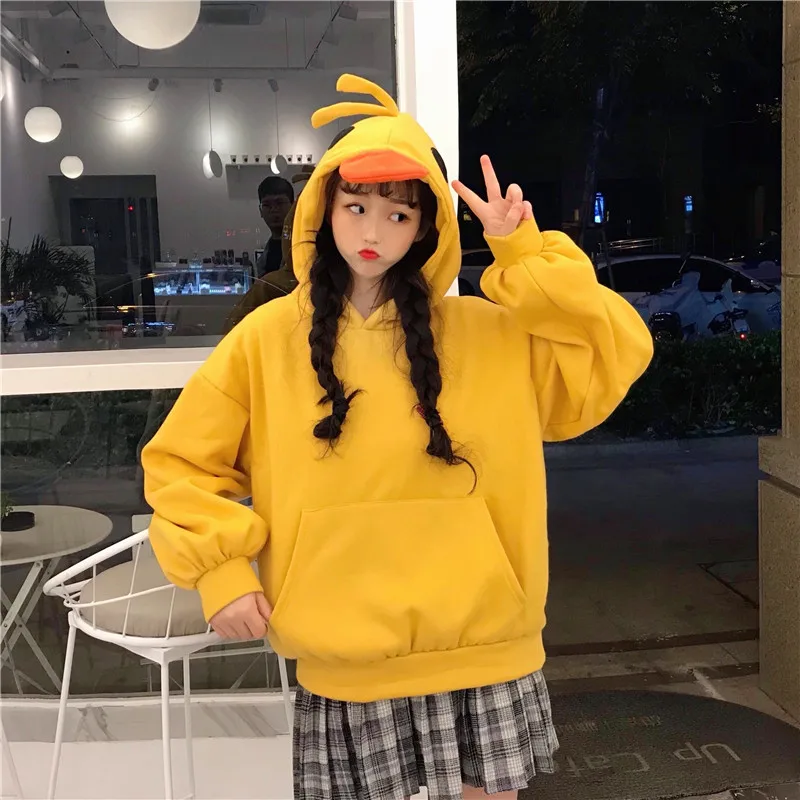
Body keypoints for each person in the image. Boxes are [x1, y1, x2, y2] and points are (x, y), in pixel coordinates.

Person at [142, 75, 653, 800]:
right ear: (324, 209)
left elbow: (610, 354)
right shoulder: (266, 339)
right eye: (355, 207)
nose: (373, 232)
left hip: (483, 639)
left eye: (398, 213)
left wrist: (524, 256)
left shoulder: (489, 333)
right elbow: (182, 464)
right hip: (345, 646)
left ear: (425, 228)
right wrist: (220, 570)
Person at [255, 175, 294, 276]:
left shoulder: (304, 243)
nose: (273, 209)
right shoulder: (265, 254)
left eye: (279, 203)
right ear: (260, 211)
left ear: (293, 206)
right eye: (267, 205)